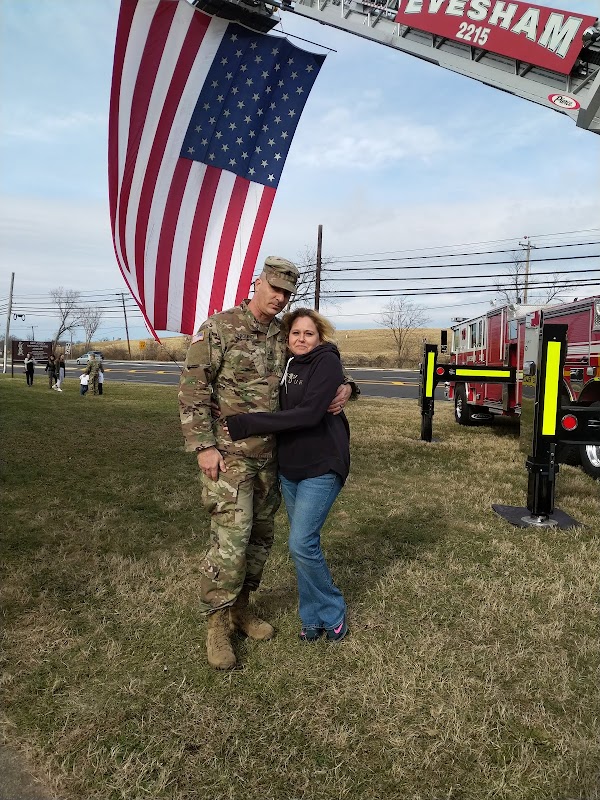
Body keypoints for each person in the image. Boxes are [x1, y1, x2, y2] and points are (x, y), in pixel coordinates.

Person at [179, 256, 354, 670]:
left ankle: (242, 609)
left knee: (259, 541)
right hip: (229, 458)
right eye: (273, 288)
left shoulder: (283, 334)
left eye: (286, 293)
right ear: (257, 283)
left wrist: (349, 386)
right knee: (230, 542)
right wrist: (203, 445)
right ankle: (217, 626)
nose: (279, 298)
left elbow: (321, 365)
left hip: (272, 460)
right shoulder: (218, 329)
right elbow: (192, 390)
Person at [226, 309, 350, 644]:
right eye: (295, 333)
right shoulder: (286, 363)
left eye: (309, 333)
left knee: (300, 542)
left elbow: (310, 415)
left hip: (323, 463)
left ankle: (333, 609)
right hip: (291, 467)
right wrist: (351, 386)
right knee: (304, 546)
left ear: (320, 337)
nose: (301, 339)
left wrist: (248, 423)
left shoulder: (326, 360)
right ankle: (311, 615)